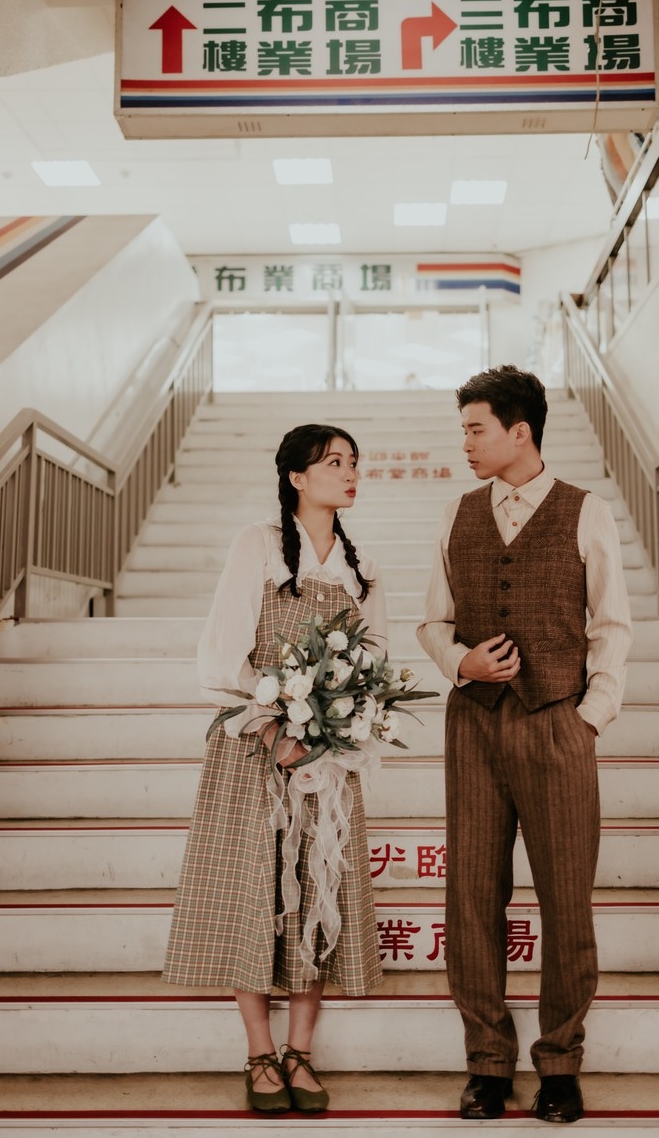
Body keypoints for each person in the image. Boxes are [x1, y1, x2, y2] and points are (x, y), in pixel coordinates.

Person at [417, 366, 632, 1124]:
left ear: (520, 431)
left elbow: (611, 624)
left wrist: (589, 716)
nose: (466, 443)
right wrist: (460, 663)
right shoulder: (457, 513)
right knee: (473, 895)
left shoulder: (585, 510)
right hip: (474, 725)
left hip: (557, 722)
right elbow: (433, 622)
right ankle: (486, 1063)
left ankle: (561, 1064)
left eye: (475, 428)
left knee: (566, 898)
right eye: (464, 430)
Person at [163, 424, 386, 1115]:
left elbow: (373, 668)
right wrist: (272, 728)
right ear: (296, 476)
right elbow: (222, 653)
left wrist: (331, 732)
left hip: (325, 762)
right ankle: (260, 1052)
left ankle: (300, 1052)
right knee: (253, 894)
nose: (349, 473)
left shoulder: (361, 565)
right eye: (334, 462)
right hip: (253, 753)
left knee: (318, 893)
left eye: (354, 462)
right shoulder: (258, 545)